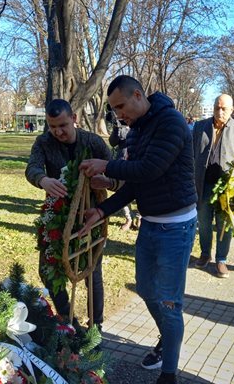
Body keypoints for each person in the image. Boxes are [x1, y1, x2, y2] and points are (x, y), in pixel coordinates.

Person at [79, 75, 197, 384]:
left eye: (120, 106)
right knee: (146, 289)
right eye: (113, 109)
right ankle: (167, 337)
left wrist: (106, 166)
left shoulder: (170, 121)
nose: (118, 114)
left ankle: (168, 373)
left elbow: (149, 169)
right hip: (151, 224)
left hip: (177, 227)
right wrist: (102, 210)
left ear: (138, 95)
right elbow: (136, 185)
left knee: (170, 302)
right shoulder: (136, 130)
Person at [25, 99, 110, 328]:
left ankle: (96, 325)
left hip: (89, 215)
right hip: (56, 216)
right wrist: (43, 180)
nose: (58, 132)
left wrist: (107, 182)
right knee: (47, 269)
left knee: (92, 272)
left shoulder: (93, 142)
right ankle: (68, 320)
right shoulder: (43, 142)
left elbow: (116, 172)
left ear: (74, 118)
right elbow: (32, 167)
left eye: (63, 125)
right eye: (52, 126)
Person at [192, 94, 234, 277]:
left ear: (232, 110)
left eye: (224, 108)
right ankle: (204, 254)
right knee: (204, 222)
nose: (220, 111)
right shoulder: (200, 127)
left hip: (228, 187)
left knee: (225, 224)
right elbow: (191, 153)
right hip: (203, 184)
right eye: (217, 107)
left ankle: (221, 259)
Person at [108, 108, 140, 230]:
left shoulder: (140, 122)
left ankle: (139, 218)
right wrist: (116, 127)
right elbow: (112, 142)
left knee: (139, 190)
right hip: (122, 161)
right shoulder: (120, 123)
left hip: (137, 161)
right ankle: (128, 218)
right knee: (121, 190)